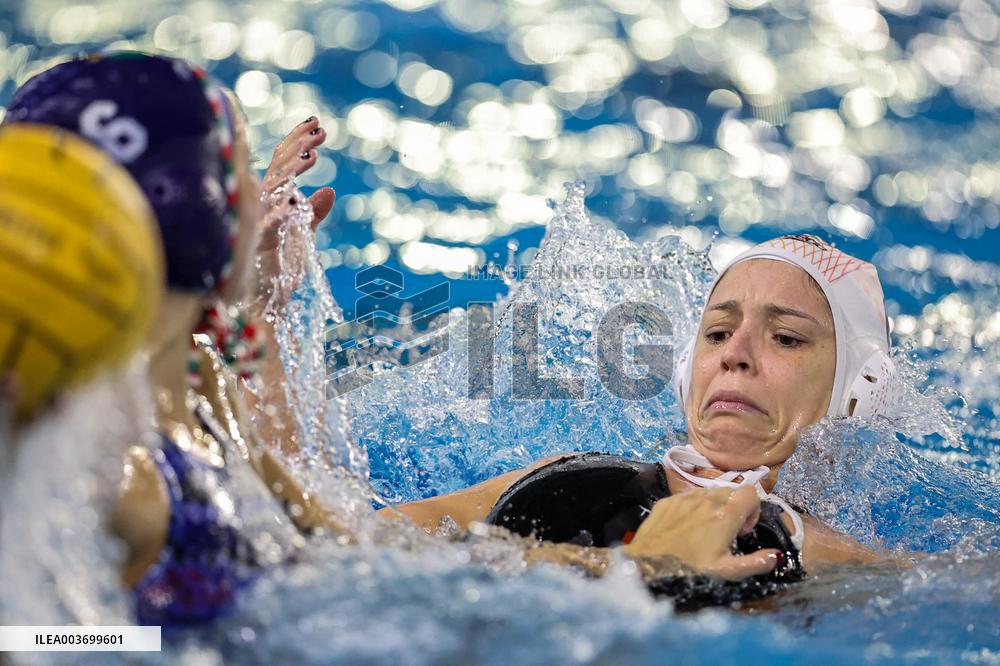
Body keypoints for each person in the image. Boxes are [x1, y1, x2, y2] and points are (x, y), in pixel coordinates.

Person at [2, 52, 782, 625]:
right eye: (243, 172)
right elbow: (49, 637)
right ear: (202, 216)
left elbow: (340, 535)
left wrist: (267, 318)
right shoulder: (124, 476)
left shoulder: (191, 397)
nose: (274, 198)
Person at [383, 234, 894, 581]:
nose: (734, 354)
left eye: (785, 338)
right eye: (716, 333)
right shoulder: (569, 481)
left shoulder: (832, 561)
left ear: (859, 389)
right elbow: (351, 536)